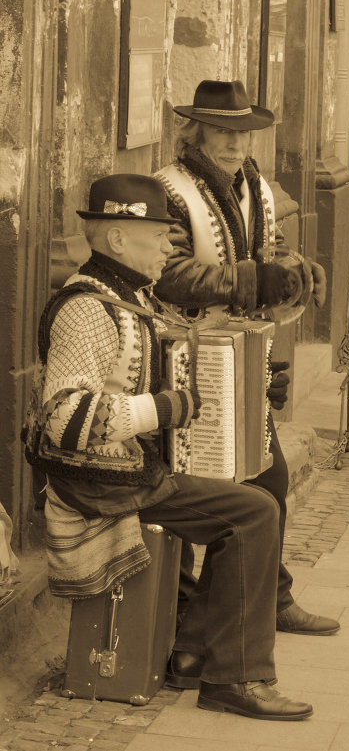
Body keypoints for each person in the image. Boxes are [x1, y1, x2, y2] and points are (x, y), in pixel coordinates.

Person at [26, 173, 313, 721]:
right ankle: (235, 677)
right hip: (101, 483)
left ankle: (193, 654)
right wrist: (161, 410)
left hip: (134, 471)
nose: (168, 246)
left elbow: (176, 371)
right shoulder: (86, 308)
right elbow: (63, 419)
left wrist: (253, 390)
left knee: (253, 497)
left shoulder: (132, 297)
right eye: (158, 235)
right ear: (116, 240)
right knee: (253, 513)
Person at [153, 79, 339, 688]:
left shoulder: (254, 183)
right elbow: (170, 272)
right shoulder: (168, 188)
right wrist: (251, 279)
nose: (235, 143)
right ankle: (190, 626)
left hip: (242, 351)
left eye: (242, 132)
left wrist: (291, 268)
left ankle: (262, 600)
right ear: (197, 131)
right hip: (185, 354)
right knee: (201, 485)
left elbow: (271, 246)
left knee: (267, 475)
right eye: (223, 131)